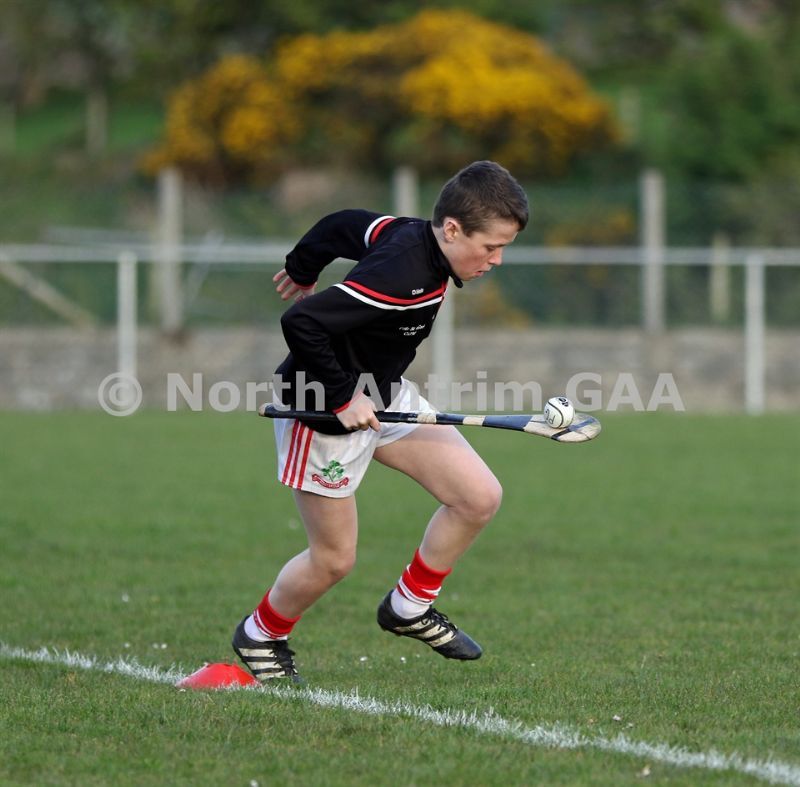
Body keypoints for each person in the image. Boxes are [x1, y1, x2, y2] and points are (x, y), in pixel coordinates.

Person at [232, 161, 529, 683]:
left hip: (384, 397)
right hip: (321, 412)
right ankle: (261, 635)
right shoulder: (400, 275)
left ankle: (409, 606)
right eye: (491, 247)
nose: (497, 260)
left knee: (478, 497)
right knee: (333, 560)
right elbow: (301, 322)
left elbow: (345, 224)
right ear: (453, 229)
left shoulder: (413, 235)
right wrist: (342, 396)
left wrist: (302, 266)